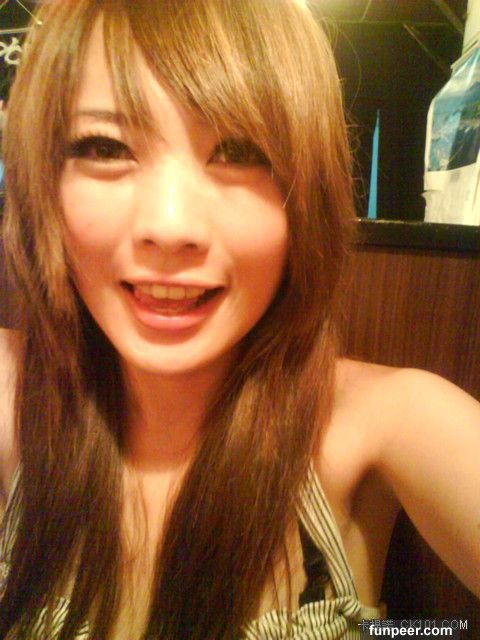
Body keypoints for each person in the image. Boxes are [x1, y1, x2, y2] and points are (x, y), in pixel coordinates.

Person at [0, 1, 478, 638]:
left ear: (305, 197)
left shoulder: (388, 423)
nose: (170, 226)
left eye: (238, 151)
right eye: (105, 147)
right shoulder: (13, 402)